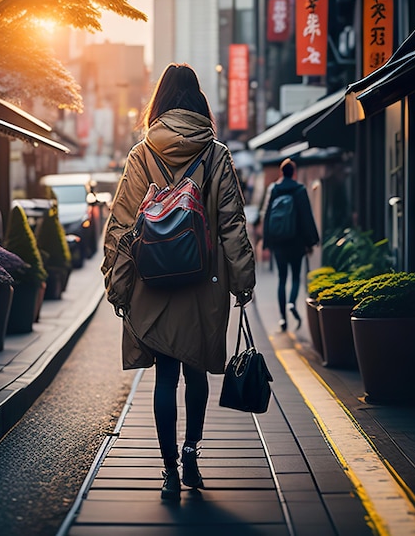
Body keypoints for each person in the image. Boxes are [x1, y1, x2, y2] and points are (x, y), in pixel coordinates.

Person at [101, 63, 256, 501]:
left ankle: (168, 470)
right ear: (199, 102)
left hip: (153, 282)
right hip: (203, 281)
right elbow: (231, 224)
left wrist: (117, 283)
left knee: (165, 376)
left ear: (160, 102)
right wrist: (242, 279)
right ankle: (191, 452)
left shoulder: (141, 153)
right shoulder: (217, 154)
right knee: (197, 370)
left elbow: (121, 226)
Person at [260, 158, 319, 331]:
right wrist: (311, 241)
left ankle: (283, 319)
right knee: (295, 278)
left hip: (279, 242)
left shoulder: (274, 189)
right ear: (294, 173)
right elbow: (306, 217)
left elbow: (268, 215)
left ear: (280, 172)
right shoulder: (300, 190)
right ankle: (292, 303)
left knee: (281, 279)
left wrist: (267, 241)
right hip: (297, 242)